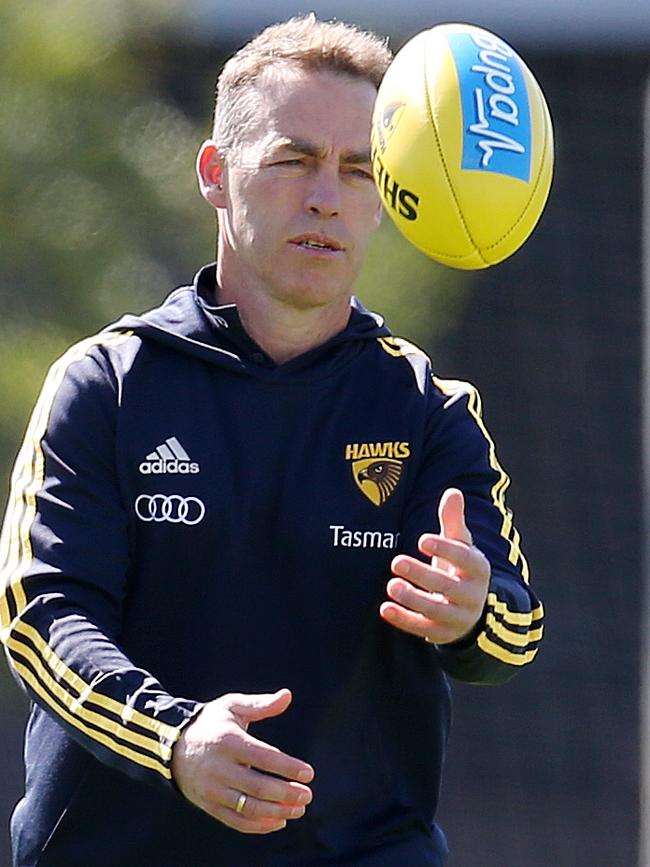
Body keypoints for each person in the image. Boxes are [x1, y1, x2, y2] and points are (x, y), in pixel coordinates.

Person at [0, 14, 544, 867]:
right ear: (217, 174)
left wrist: (474, 612)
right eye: (294, 159)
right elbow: (42, 616)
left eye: (359, 170)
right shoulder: (105, 383)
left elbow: (516, 625)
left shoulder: (427, 408)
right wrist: (174, 740)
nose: (326, 196)